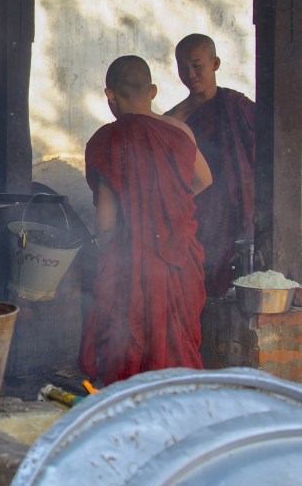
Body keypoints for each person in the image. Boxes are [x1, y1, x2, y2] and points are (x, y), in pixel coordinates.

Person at [79, 56, 212, 385]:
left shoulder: (108, 140)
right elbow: (204, 180)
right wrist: (167, 209)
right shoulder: (180, 130)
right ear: (152, 91)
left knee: (130, 344)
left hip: (134, 258)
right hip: (178, 255)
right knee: (176, 344)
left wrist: (107, 245)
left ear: (109, 94)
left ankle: (133, 410)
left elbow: (106, 224)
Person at [165, 34, 256, 297]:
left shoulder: (237, 106)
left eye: (197, 65)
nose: (190, 74)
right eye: (183, 67)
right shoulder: (174, 118)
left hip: (236, 208)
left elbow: (261, 155)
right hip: (198, 212)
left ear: (214, 63)